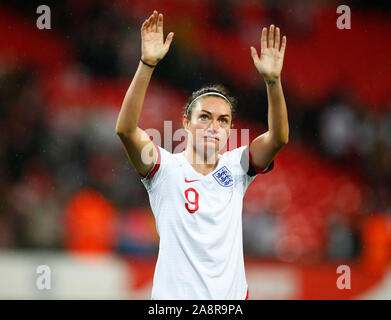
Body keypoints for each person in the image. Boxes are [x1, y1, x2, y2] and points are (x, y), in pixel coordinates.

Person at [115, 10, 289, 300]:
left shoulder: (238, 167)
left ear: (230, 129)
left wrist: (273, 82)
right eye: (204, 117)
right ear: (186, 122)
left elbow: (279, 137)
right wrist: (147, 64)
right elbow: (125, 130)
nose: (214, 126)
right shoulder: (164, 169)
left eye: (223, 120)